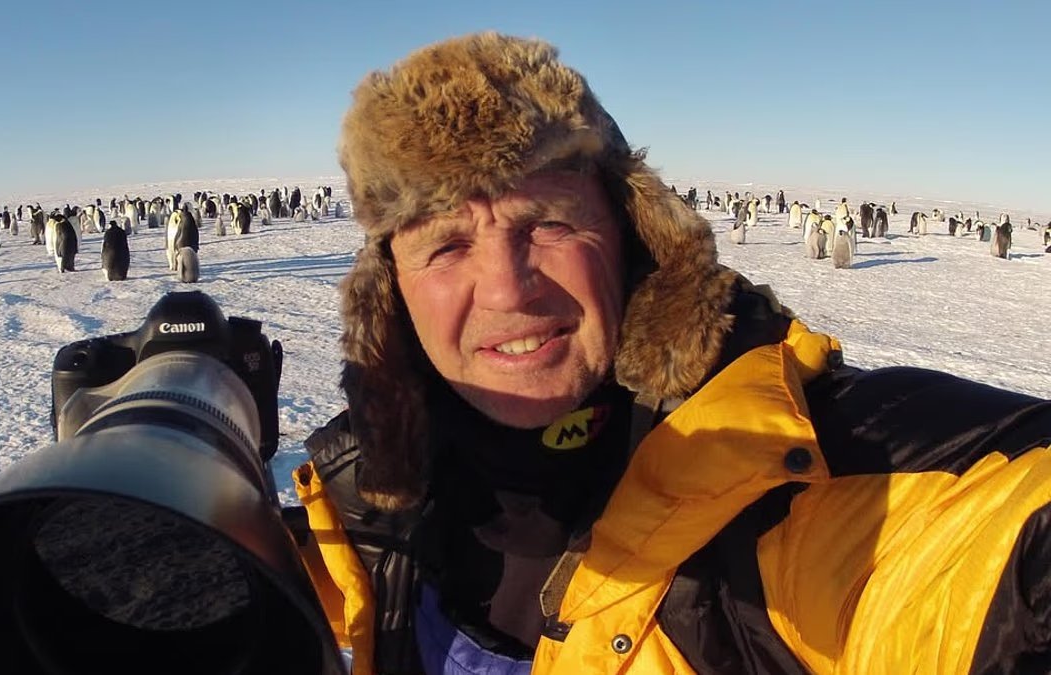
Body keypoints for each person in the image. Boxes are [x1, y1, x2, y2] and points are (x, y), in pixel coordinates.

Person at [285, 32, 1051, 674]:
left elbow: (982, 540)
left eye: (547, 223)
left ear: (631, 238)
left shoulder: (789, 471)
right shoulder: (361, 516)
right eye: (447, 244)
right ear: (390, 291)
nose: (506, 290)